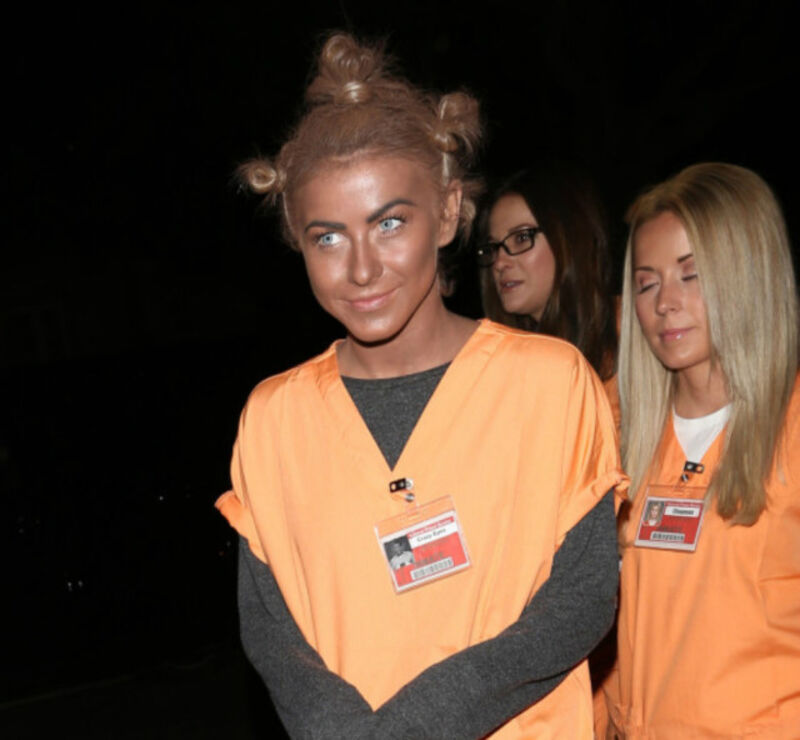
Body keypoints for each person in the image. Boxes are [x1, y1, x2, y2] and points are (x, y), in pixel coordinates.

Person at [216, 33, 625, 739]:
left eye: (389, 223)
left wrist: (414, 724)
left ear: (448, 211)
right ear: (295, 238)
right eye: (328, 237)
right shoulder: (273, 418)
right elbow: (271, 627)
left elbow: (581, 599)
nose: (362, 269)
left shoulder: (550, 383)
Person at [605, 162, 800, 737]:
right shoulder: (610, 423)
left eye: (691, 276)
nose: (665, 303)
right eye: (647, 283)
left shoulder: (791, 428)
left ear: (748, 274)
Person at [477, 166, 618, 382]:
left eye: (522, 238)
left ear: (569, 239)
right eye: (493, 247)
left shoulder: (632, 332)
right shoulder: (498, 363)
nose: (499, 262)